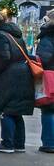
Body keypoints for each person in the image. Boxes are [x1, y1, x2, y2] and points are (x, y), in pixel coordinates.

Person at [0, 11, 35, 153]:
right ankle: (19, 144)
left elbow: (3, 56)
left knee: (6, 108)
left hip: (9, 75)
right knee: (16, 110)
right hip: (23, 73)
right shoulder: (16, 34)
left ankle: (7, 143)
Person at [35, 11, 54, 153]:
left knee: (49, 109)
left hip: (51, 76)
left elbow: (45, 58)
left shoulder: (48, 36)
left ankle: (49, 143)